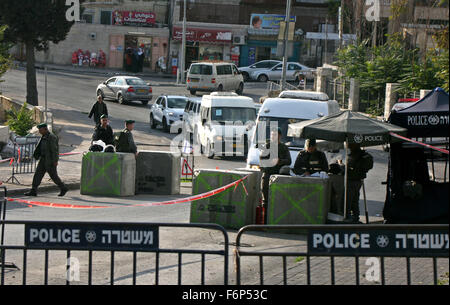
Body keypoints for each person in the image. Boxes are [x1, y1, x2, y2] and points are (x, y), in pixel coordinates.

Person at [24, 123, 68, 197]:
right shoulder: (44, 136)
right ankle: (33, 190)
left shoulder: (52, 137)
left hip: (50, 160)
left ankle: (63, 188)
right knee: (37, 175)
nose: (40, 132)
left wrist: (55, 161)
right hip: (43, 159)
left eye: (41, 130)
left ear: (45, 129)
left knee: (54, 176)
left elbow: (55, 150)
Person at [260, 128, 291, 223]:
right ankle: (264, 223)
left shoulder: (284, 148)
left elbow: (289, 161)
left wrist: (279, 161)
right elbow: (261, 161)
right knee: (265, 201)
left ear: (280, 136)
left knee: (278, 200)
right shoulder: (267, 146)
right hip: (267, 175)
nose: (273, 137)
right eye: (272, 135)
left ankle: (275, 222)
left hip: (278, 177)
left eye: (275, 135)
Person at [346, 143, 374, 223]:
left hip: (352, 180)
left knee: (349, 200)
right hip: (359, 180)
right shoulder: (363, 155)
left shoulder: (355, 155)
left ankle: (349, 217)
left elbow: (350, 166)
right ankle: (356, 217)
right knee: (355, 199)